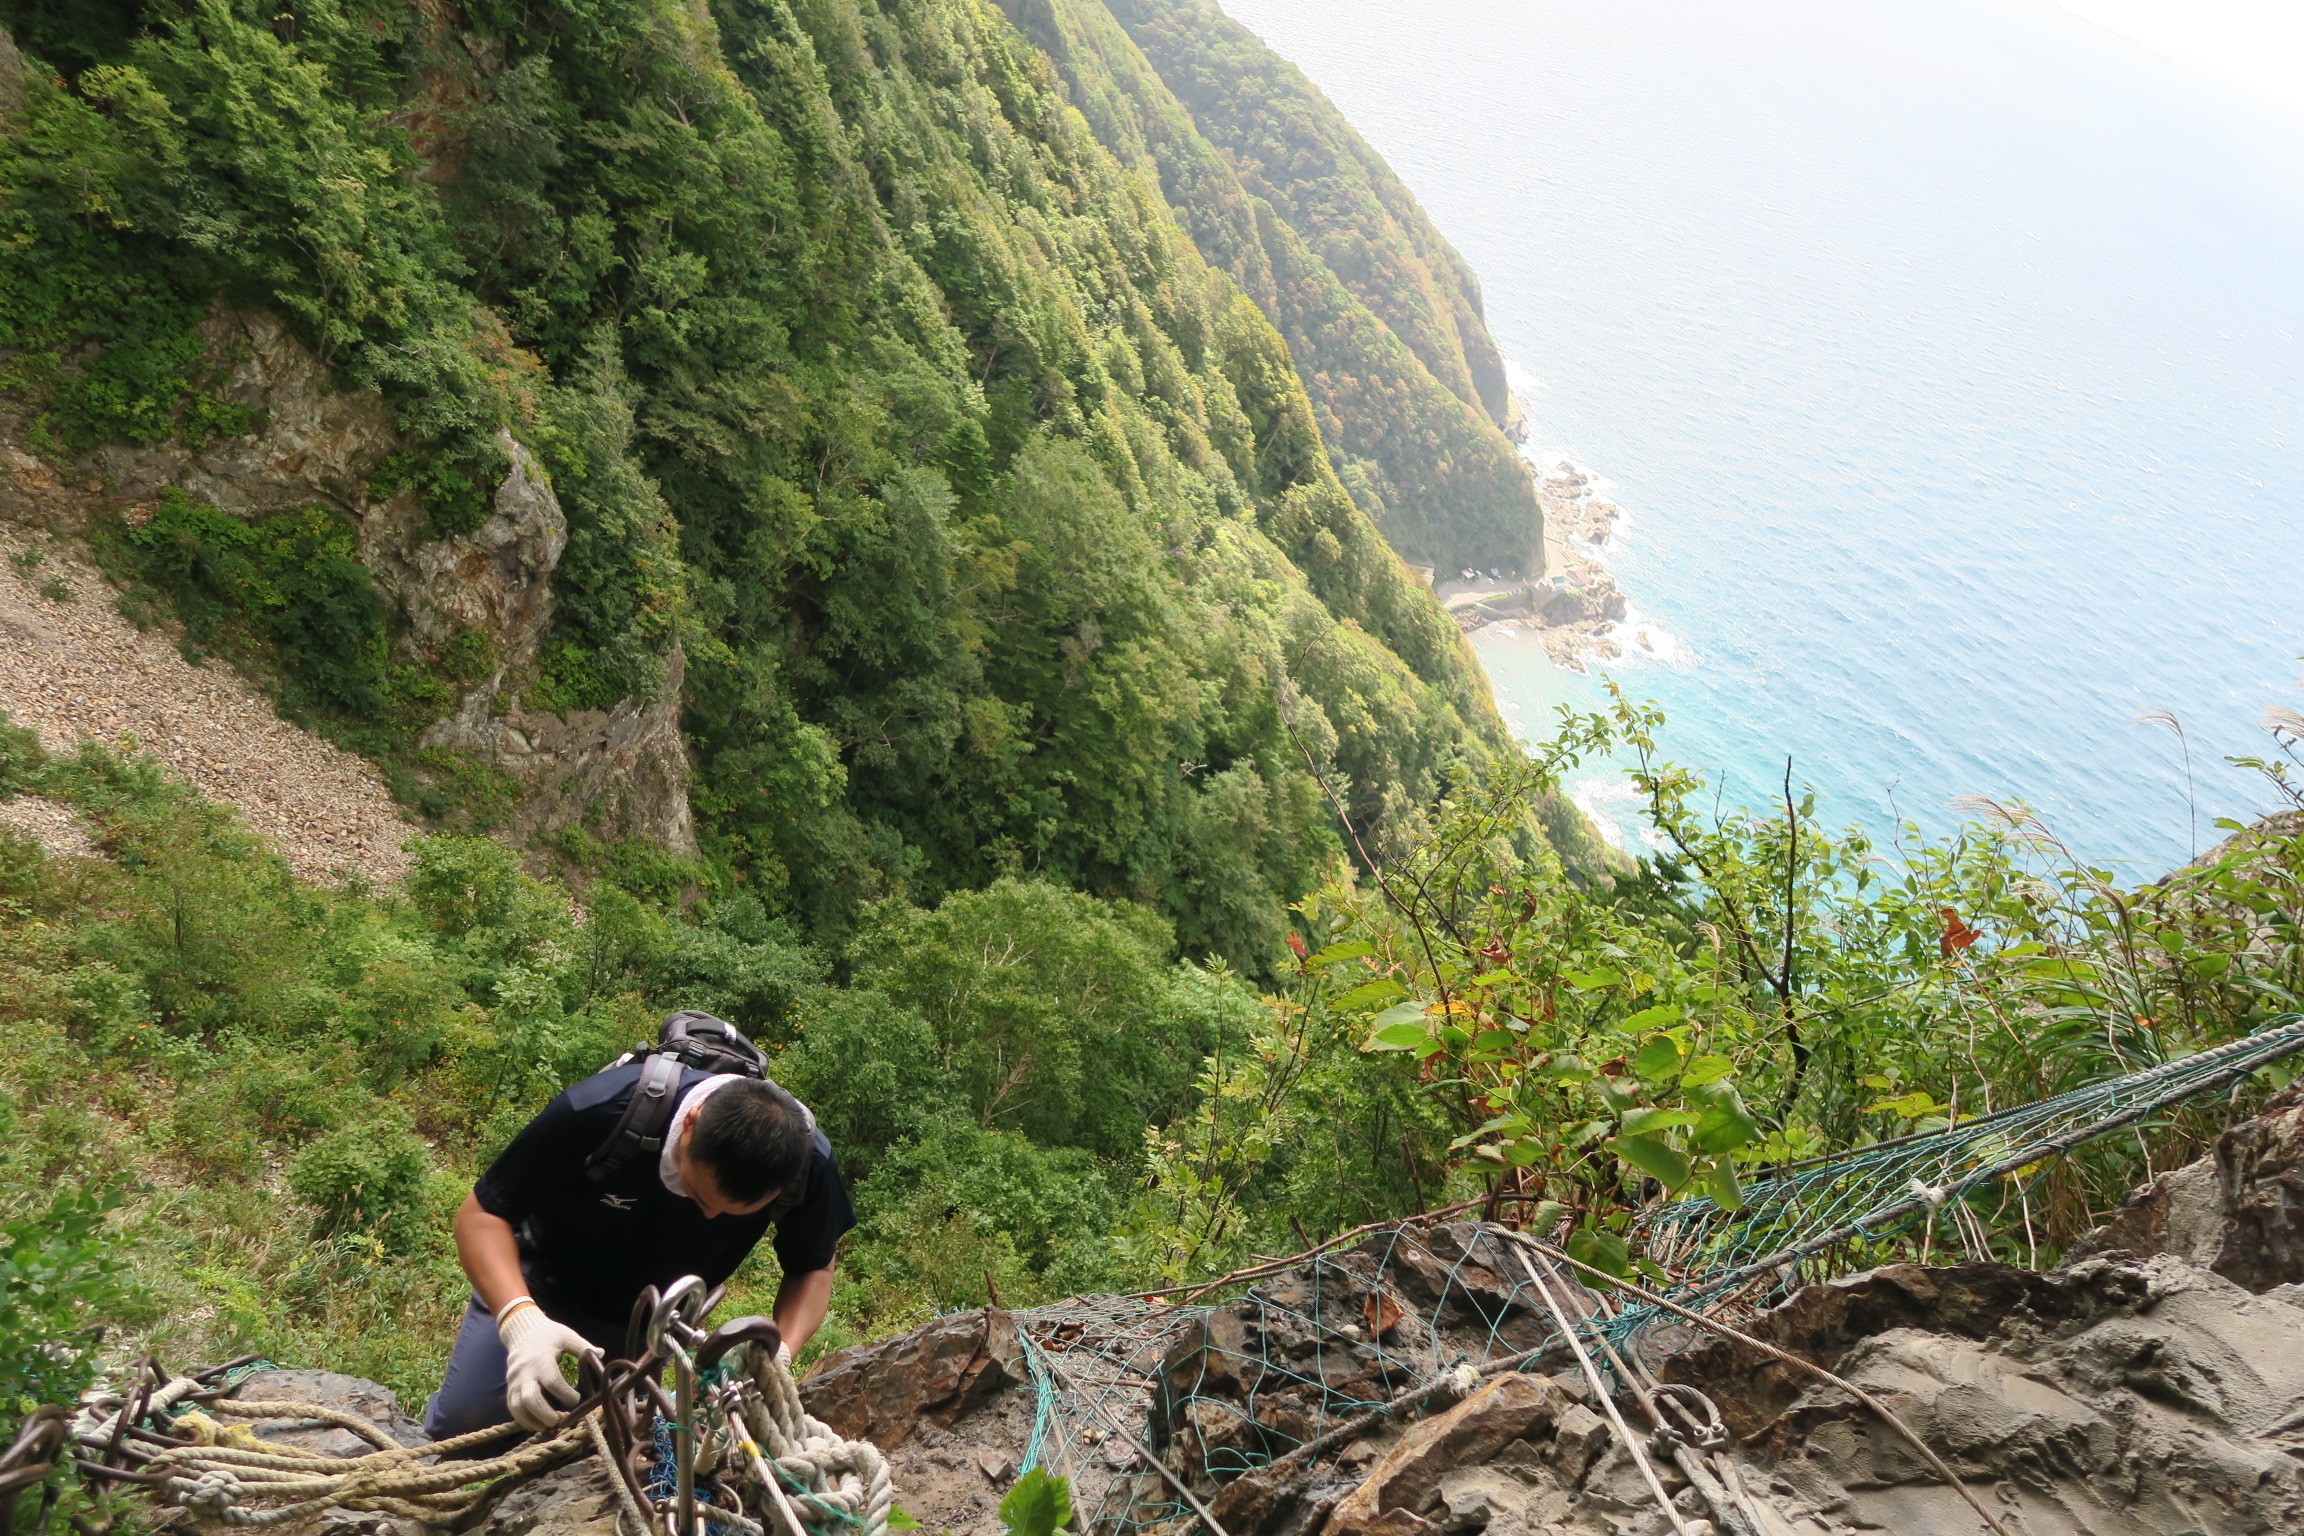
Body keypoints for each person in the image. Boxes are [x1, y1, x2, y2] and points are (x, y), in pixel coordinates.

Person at [423, 1030, 854, 1437]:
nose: (708, 1217)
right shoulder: (601, 1110)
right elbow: (481, 1215)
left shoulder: (809, 1165)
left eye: (731, 1214)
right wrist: (520, 1320)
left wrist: (782, 1353)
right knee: (468, 1420)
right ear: (691, 1123)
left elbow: (812, 1267)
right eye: (698, 1195)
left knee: (611, 1444)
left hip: (650, 1319)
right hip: (543, 1278)